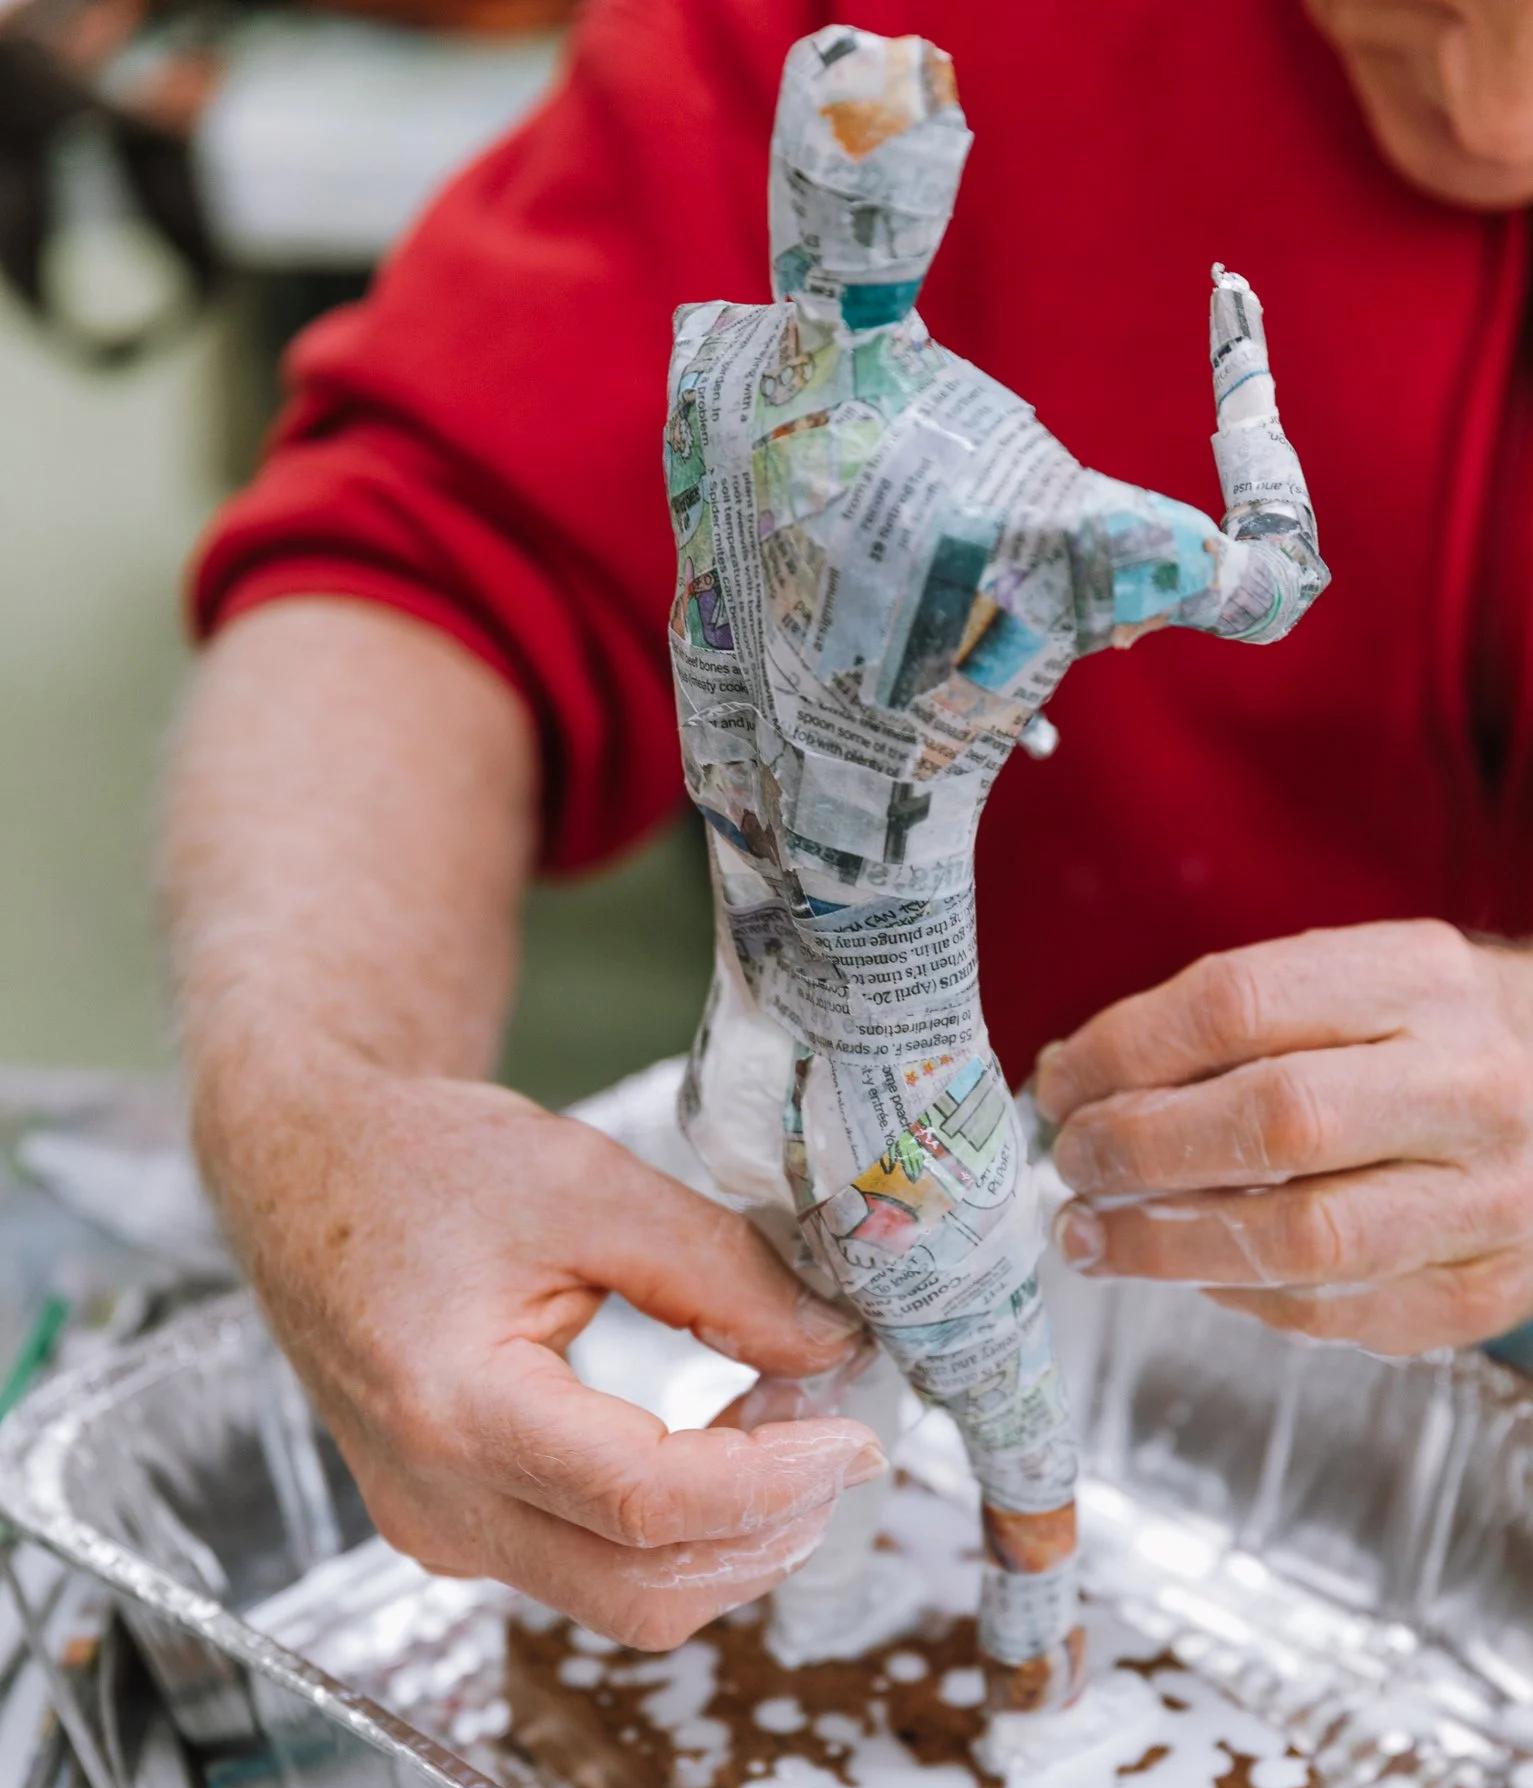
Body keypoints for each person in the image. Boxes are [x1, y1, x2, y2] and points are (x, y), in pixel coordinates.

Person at [165, 0, 1533, 1649]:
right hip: (924, 1110)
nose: (1479, 86)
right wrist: (314, 1092)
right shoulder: (983, 468)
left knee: (815, 1392)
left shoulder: (722, 373)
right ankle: (1021, 1689)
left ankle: (823, 1653)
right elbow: (419, 551)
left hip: (753, 1065)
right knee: (1007, 1432)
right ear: (938, 180)